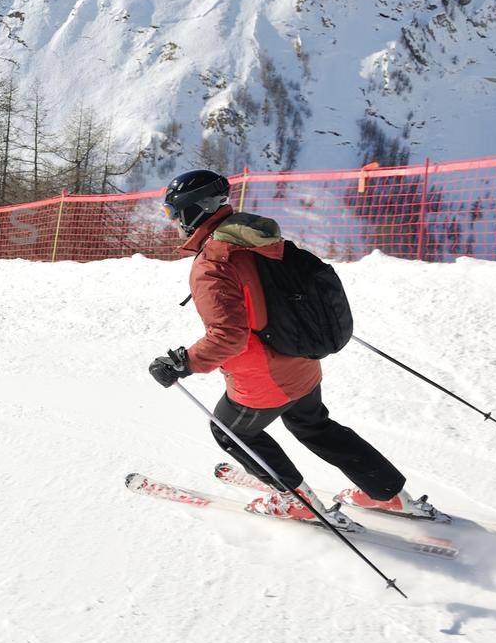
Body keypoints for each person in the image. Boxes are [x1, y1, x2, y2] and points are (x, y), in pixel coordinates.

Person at [145, 168, 435, 524]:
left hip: (263, 377)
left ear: (193, 211)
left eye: (173, 212)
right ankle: (389, 494)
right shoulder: (257, 238)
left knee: (230, 430)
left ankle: (294, 499)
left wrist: (183, 363)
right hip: (302, 363)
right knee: (314, 426)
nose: (173, 221)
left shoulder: (213, 264)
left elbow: (228, 337)